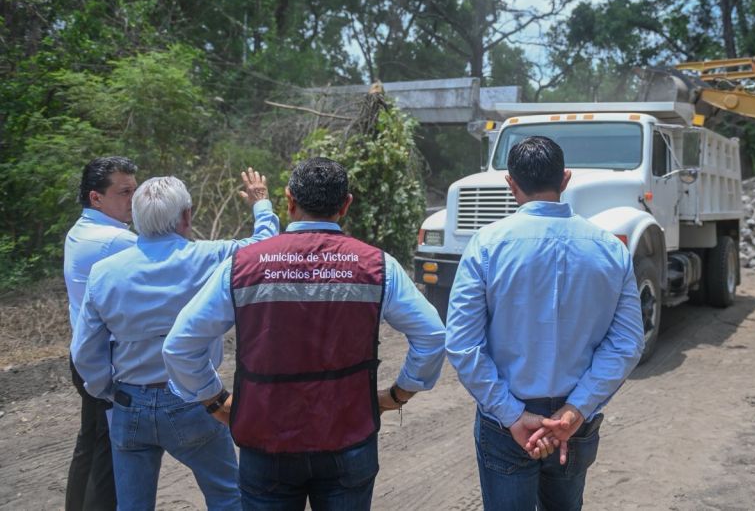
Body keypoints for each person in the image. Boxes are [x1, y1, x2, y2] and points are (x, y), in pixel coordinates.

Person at [163, 157, 446, 510]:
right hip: (349, 440)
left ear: (289, 200)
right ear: (346, 205)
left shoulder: (242, 265)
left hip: (266, 443)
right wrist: (396, 395)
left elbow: (180, 346)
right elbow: (432, 335)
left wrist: (213, 399)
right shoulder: (377, 266)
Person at [445, 136, 645, 511]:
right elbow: (627, 343)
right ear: (565, 179)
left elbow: (463, 345)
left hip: (506, 422)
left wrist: (513, 415)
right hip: (575, 421)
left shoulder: (486, 245)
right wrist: (574, 411)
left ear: (511, 184)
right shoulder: (611, 248)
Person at [72, 169, 278, 511]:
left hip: (129, 403)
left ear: (136, 217)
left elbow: (84, 352)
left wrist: (109, 392)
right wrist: (261, 203)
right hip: (194, 400)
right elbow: (266, 248)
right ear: (186, 216)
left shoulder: (103, 273)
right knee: (228, 497)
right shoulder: (210, 256)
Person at [63, 156, 139, 511]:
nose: (134, 200)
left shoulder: (79, 231)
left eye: (135, 191)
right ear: (96, 198)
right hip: (104, 362)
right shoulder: (117, 240)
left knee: (90, 445)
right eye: (124, 192)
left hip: (83, 355)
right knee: (109, 456)